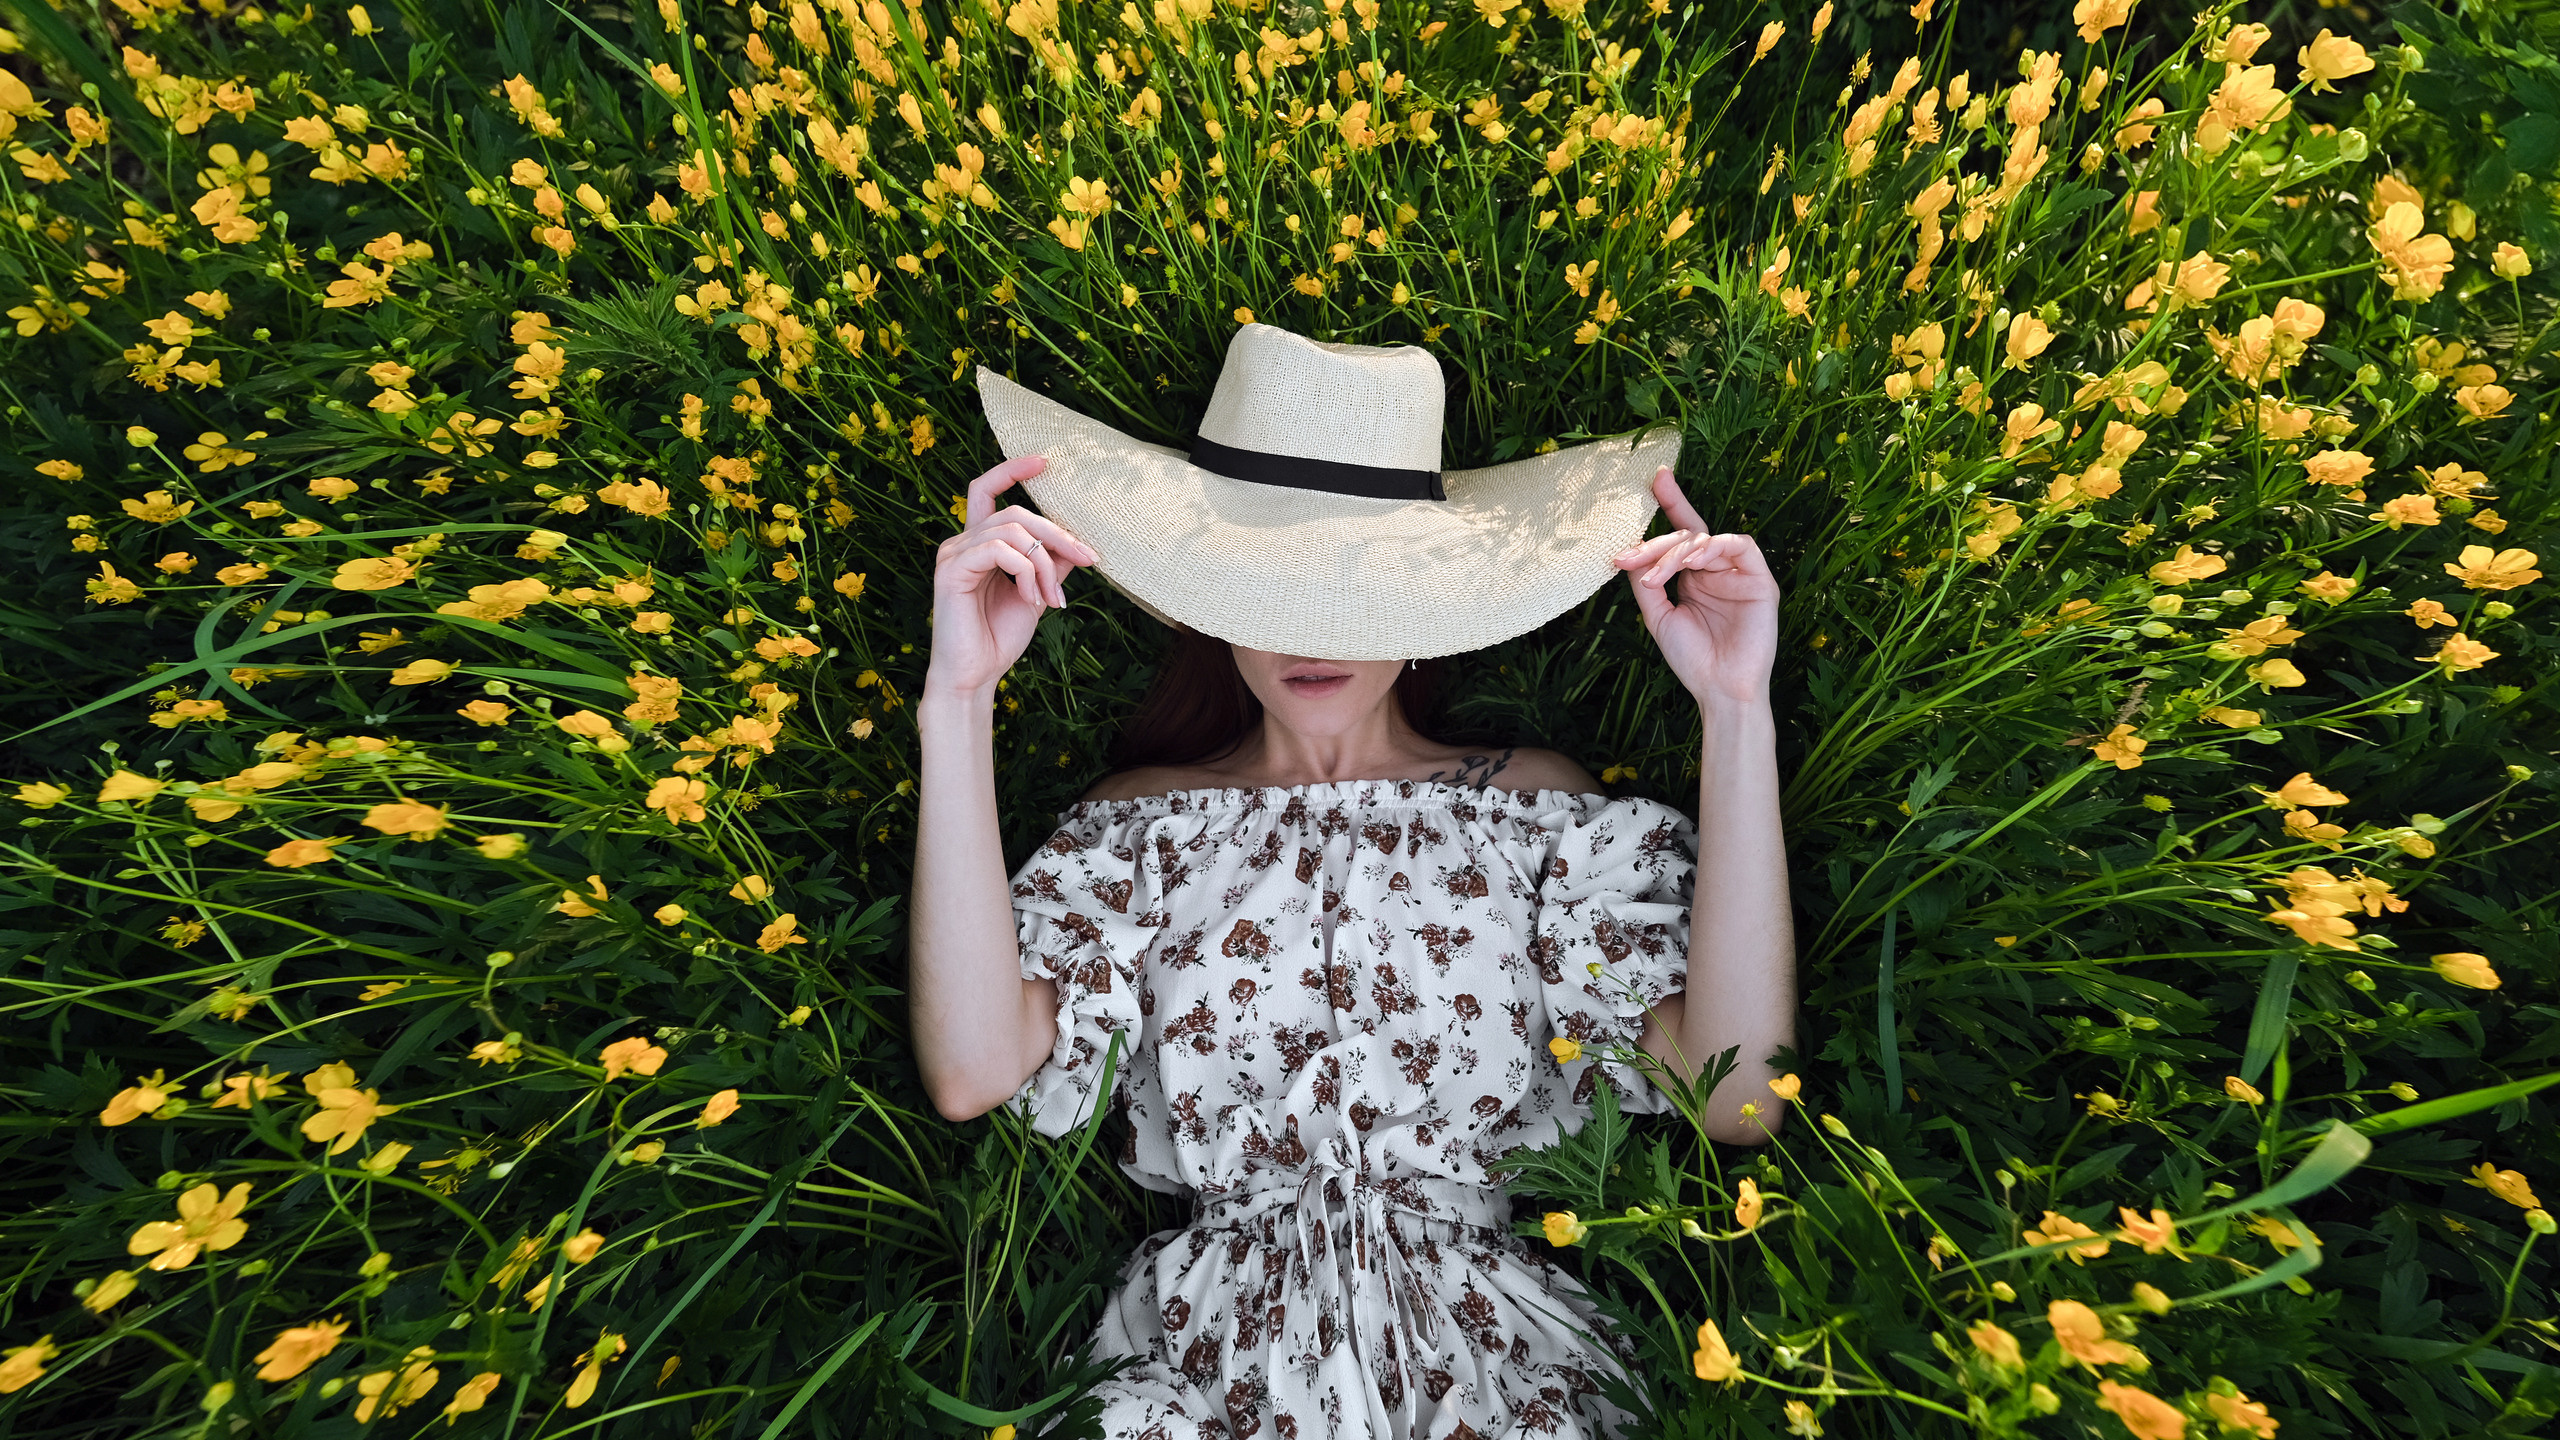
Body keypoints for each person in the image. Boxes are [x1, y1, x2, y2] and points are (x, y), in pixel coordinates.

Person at [912, 325, 1794, 1440]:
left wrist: (1734, 707)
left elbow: (1739, 1097)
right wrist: (958, 699)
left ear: (1431, 609)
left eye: (1358, 588)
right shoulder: (1141, 827)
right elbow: (971, 1072)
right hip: (1206, 1369)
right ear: (1204, 599)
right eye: (1272, 585)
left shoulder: (1538, 816)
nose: (1312, 633)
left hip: (1492, 1371)